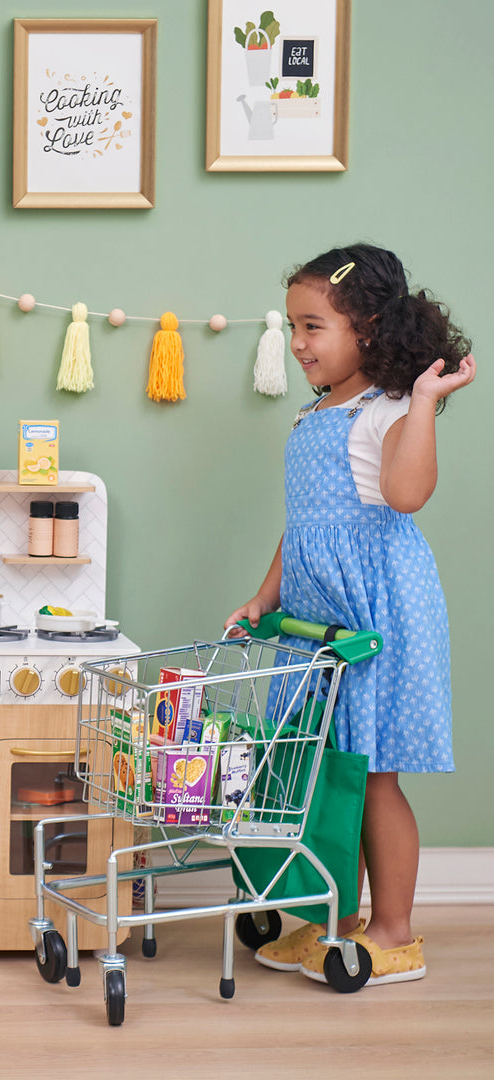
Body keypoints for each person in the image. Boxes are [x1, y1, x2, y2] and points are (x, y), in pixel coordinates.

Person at [225, 243, 475, 986]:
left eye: (312, 327)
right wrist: (266, 594)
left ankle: (393, 930)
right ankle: (338, 921)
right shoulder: (314, 413)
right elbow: (303, 525)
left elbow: (405, 495)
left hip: (377, 613)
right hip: (315, 617)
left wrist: (425, 402)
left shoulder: (389, 408)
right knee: (321, 769)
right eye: (293, 327)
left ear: (367, 328)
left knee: (373, 777)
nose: (297, 344)